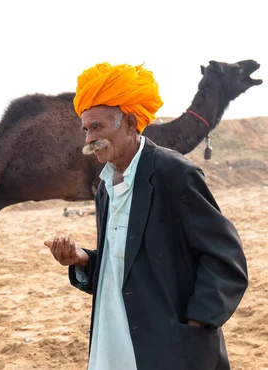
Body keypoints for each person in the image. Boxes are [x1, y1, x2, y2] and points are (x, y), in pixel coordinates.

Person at [45, 63, 248, 370]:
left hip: (168, 345)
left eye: (97, 127)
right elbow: (127, 264)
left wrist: (196, 325)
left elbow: (226, 258)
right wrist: (83, 259)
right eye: (85, 129)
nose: (88, 139)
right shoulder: (106, 185)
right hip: (112, 337)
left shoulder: (174, 173)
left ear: (129, 122)